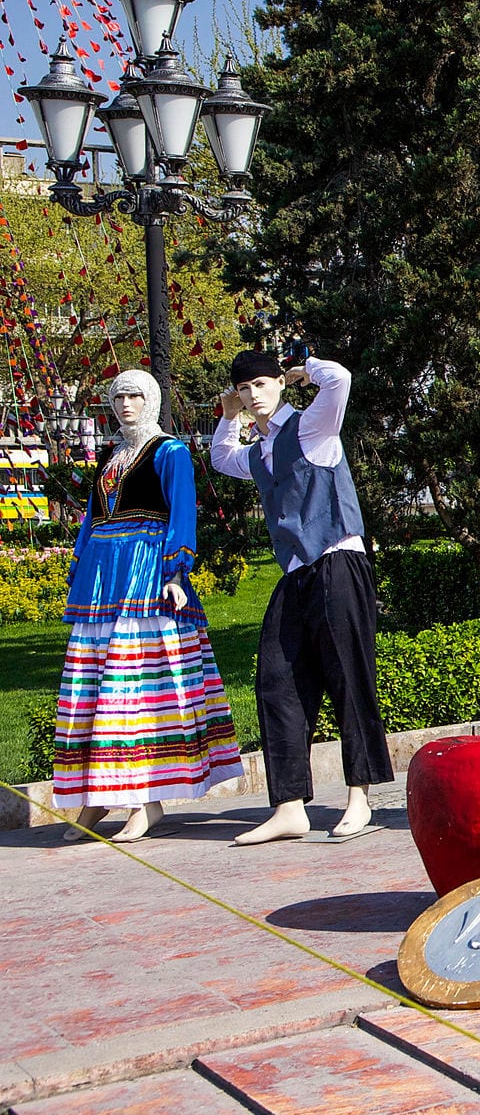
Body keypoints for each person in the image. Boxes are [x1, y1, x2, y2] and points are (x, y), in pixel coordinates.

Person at [53, 369, 242, 842]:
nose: (126, 404)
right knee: (96, 686)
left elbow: (182, 510)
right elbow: (93, 518)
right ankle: (96, 798)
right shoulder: (111, 456)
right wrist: (79, 565)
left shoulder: (170, 451)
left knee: (133, 689)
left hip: (145, 573)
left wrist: (177, 572)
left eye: (136, 396)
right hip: (102, 579)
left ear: (152, 400)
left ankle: (144, 800)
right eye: (118, 397)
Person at [212, 348, 392, 844]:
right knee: (277, 679)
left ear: (279, 385)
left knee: (349, 677)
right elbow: (221, 458)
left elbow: (341, 380)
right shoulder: (259, 451)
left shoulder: (314, 428)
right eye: (244, 390)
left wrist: (303, 365)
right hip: (297, 573)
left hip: (338, 560)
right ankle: (289, 806)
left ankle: (360, 797)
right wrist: (229, 418)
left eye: (261, 385)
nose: (253, 396)